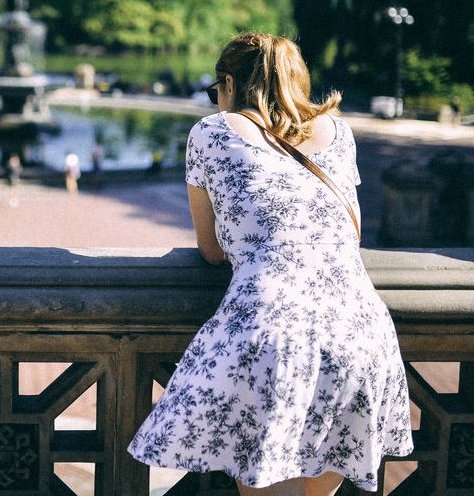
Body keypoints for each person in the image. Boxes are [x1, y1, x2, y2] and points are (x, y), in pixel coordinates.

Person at [128, 33, 412, 494]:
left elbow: (211, 249)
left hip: (274, 336)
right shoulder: (339, 132)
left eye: (214, 92)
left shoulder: (212, 132)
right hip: (360, 332)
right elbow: (352, 228)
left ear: (228, 83)